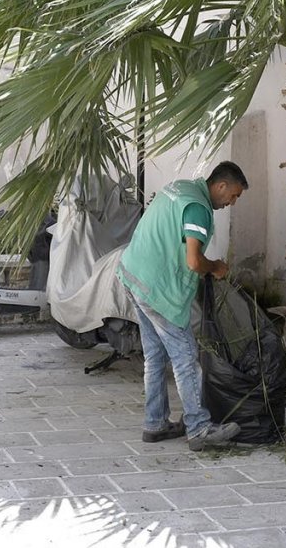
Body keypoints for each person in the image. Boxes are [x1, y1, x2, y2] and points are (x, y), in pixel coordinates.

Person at [116, 161, 248, 451]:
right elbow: (193, 261)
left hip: (132, 274)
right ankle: (199, 428)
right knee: (186, 356)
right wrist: (215, 267)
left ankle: (155, 423)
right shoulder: (199, 208)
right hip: (158, 290)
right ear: (221, 185)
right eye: (234, 195)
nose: (232, 202)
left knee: (155, 355)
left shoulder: (181, 188)